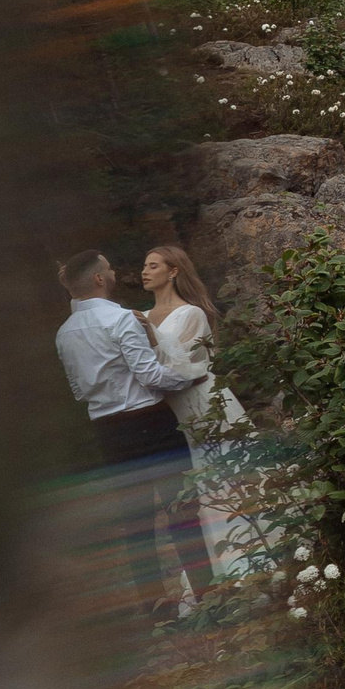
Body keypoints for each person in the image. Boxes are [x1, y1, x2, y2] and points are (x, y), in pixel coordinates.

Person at [53, 248, 210, 623]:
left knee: (136, 522)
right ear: (98, 279)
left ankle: (159, 614)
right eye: (108, 267)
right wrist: (191, 377)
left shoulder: (64, 333)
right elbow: (150, 375)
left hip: (107, 430)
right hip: (149, 420)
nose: (114, 271)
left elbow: (78, 390)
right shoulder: (121, 320)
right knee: (182, 512)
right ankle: (209, 600)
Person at [140, 245, 223, 605]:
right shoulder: (140, 314)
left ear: (173, 271)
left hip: (199, 402)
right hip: (166, 411)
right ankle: (204, 582)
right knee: (187, 497)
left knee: (216, 483)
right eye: (144, 265)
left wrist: (149, 335)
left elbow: (190, 365)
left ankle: (235, 568)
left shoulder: (191, 314)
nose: (144, 271)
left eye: (153, 265)